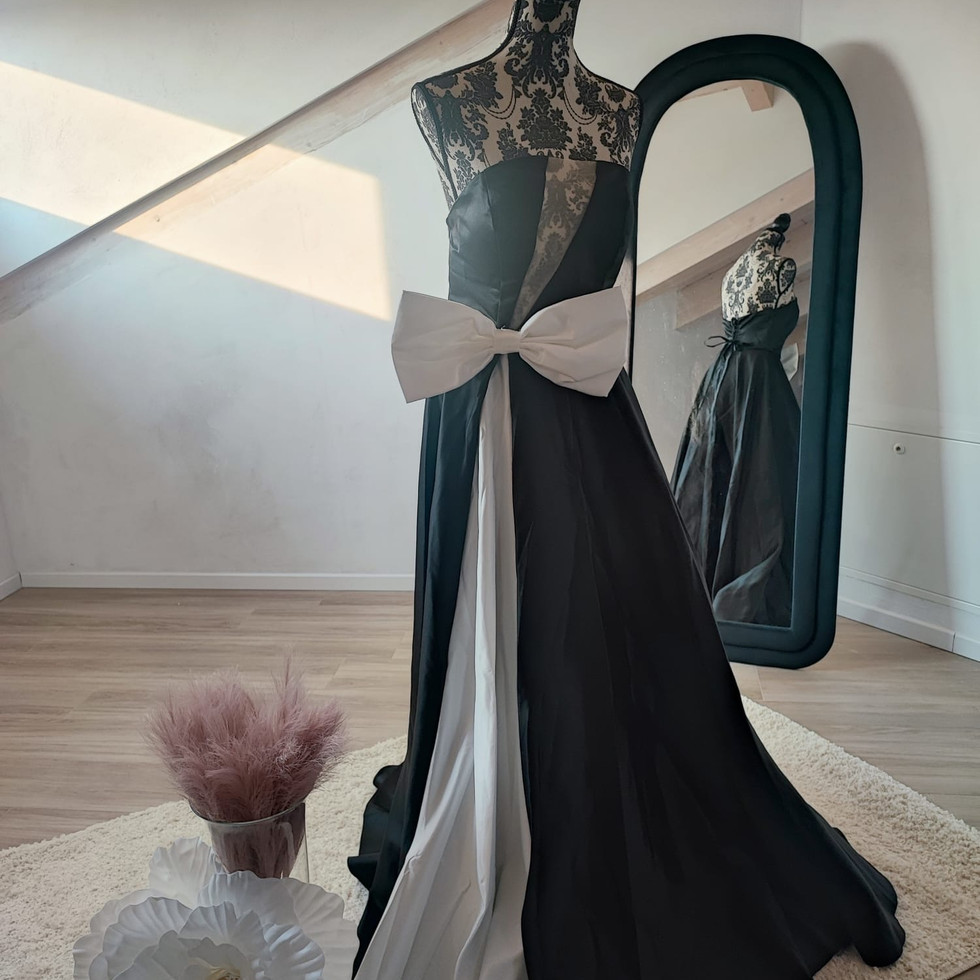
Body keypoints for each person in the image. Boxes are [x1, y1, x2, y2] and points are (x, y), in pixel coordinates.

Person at [347, 2, 907, 976]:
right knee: (504, 610)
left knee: (599, 610)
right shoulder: (446, 96)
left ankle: (578, 798)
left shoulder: (621, 109)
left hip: (580, 408)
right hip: (481, 404)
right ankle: (484, 788)